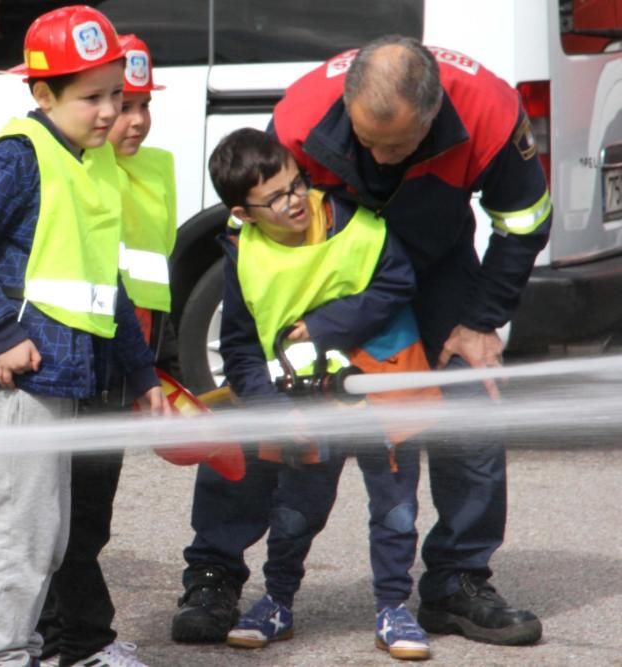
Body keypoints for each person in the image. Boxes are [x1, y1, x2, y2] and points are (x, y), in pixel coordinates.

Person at [173, 35, 548, 648]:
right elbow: (262, 221)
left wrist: (483, 320)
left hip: (432, 262)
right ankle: (214, 572)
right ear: (347, 106)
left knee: (471, 405)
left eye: (395, 145)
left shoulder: (489, 110)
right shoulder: (300, 117)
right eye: (366, 140)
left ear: (430, 117)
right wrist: (287, 334)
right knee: (263, 409)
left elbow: (525, 219)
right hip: (320, 262)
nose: (378, 157)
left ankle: (456, 581)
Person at [0, 7, 167, 666]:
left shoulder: (86, 165)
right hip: (20, 377)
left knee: (50, 536)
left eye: (115, 94)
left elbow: (105, 291)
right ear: (42, 94)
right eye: (91, 96)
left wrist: (143, 374)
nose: (108, 111)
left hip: (62, 376)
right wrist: (3, 331)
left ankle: (24, 651)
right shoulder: (19, 156)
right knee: (22, 535)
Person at [208, 127, 441, 659]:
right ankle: (278, 602)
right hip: (305, 403)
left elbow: (397, 283)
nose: (295, 202)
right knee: (295, 510)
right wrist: (271, 414)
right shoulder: (241, 254)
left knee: (396, 510)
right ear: (243, 213)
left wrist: (322, 326)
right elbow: (241, 351)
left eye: (296, 185)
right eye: (274, 199)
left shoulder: (357, 226)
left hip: (384, 386)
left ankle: (393, 608)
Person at [35, 33, 176, 667]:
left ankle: (58, 634)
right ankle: (76, 640)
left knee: (88, 513)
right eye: (121, 102)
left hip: (124, 358)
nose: (135, 119)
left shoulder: (156, 167)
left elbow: (146, 280)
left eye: (142, 102)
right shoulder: (73, 164)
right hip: (71, 359)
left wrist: (151, 363)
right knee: (67, 514)